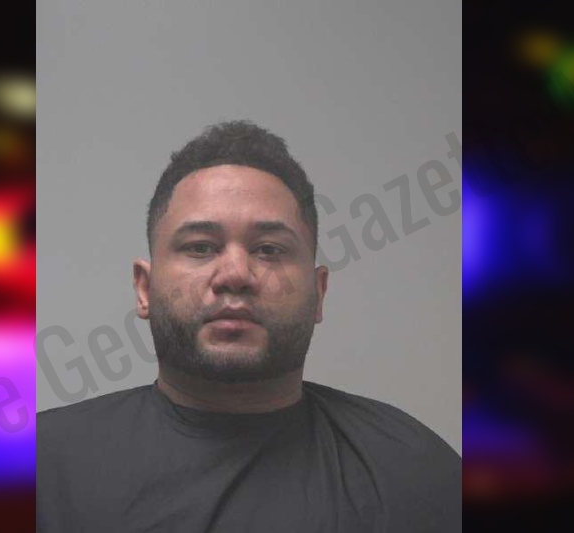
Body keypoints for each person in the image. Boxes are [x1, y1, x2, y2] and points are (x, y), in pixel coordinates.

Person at [37, 120, 461, 532]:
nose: (236, 274)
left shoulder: (414, 471)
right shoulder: (42, 469)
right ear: (144, 288)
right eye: (200, 247)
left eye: (269, 250)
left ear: (319, 293)